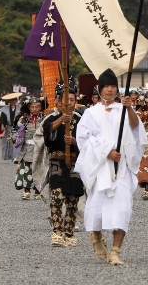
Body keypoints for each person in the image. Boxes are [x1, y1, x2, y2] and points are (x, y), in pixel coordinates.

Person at [75, 69, 147, 266]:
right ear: (99, 89)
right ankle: (96, 235)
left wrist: (129, 108)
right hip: (101, 167)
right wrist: (106, 151)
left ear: (117, 89)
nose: (109, 90)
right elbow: (84, 139)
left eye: (113, 86)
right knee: (97, 209)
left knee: (122, 208)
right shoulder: (90, 113)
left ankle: (115, 251)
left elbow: (136, 130)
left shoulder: (123, 108)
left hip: (121, 167)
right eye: (106, 86)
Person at [42, 78, 84, 248]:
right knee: (56, 196)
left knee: (73, 197)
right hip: (56, 160)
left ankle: (69, 233)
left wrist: (74, 141)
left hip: (75, 161)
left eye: (72, 101)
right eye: (65, 100)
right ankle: (56, 232)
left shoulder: (82, 119)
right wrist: (60, 121)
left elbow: (88, 141)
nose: (69, 104)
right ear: (58, 101)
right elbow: (46, 137)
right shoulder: (51, 118)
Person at [13, 97, 44, 200]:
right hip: (27, 148)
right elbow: (15, 132)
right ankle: (26, 191)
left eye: (37, 107)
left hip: (40, 147)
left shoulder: (45, 118)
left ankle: (37, 191)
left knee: (38, 170)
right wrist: (16, 136)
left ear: (40, 107)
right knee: (26, 170)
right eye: (32, 107)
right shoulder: (23, 119)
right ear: (29, 108)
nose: (35, 109)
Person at [0, 93, 22, 161]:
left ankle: (16, 157)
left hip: (18, 128)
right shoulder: (5, 109)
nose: (12, 102)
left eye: (14, 100)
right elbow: (2, 118)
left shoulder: (20, 108)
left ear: (16, 101)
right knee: (10, 142)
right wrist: (2, 125)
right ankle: (10, 156)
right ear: (9, 101)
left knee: (17, 142)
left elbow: (23, 118)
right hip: (9, 128)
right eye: (11, 100)